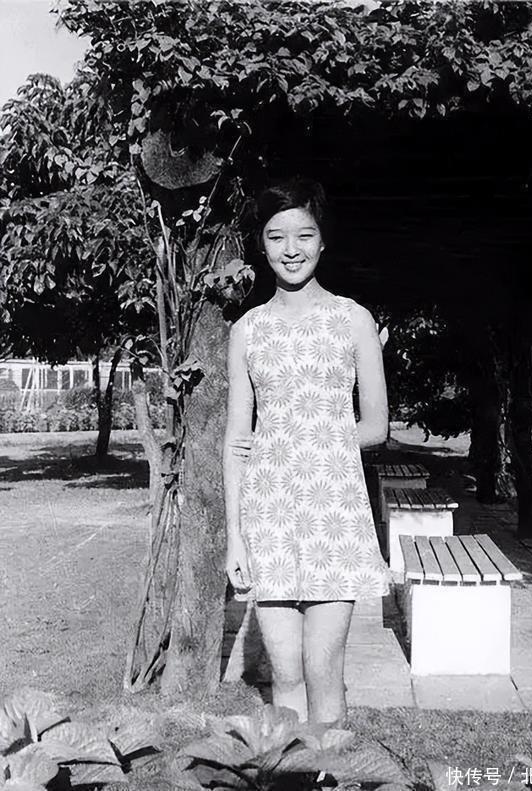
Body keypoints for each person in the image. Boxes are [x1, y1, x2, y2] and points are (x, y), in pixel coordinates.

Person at [223, 177, 391, 727]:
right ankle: (290, 769)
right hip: (268, 515)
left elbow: (376, 425)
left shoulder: (353, 319)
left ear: (323, 241)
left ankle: (327, 769)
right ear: (262, 244)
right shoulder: (248, 330)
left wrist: (302, 441)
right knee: (286, 672)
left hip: (333, 514)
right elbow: (237, 441)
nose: (290, 249)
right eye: (276, 237)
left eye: (304, 235)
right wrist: (235, 537)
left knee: (323, 669)